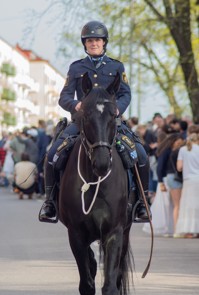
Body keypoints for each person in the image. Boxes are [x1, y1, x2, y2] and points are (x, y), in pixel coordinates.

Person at [39, 20, 151, 223]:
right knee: (53, 154)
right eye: (89, 40)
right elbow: (63, 97)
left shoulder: (116, 66)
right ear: (85, 44)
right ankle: (50, 203)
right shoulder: (76, 68)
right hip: (82, 123)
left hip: (110, 123)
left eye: (97, 40)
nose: (94, 43)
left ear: (104, 42)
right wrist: (76, 105)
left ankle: (142, 203)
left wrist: (118, 108)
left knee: (140, 154)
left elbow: (125, 94)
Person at [175, 130, 199, 238]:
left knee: (188, 205)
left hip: (188, 180)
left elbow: (179, 167)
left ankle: (189, 230)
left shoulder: (183, 150)